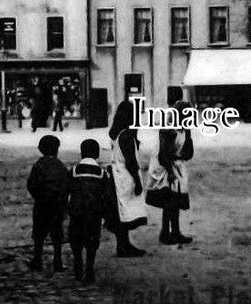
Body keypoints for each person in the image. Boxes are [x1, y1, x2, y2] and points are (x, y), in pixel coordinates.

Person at [68, 138, 114, 282]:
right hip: (94, 212)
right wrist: (107, 214)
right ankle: (89, 268)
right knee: (92, 240)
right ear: (97, 154)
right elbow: (107, 195)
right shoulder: (101, 173)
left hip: (76, 211)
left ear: (81, 153)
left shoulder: (74, 170)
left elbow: (66, 190)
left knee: (76, 238)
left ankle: (77, 263)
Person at [106, 100, 147, 257]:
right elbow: (131, 162)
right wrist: (137, 181)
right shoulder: (127, 137)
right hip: (125, 177)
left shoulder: (119, 134)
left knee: (121, 212)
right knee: (125, 212)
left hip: (118, 174)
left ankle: (123, 244)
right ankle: (124, 246)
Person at [26, 134, 70, 273]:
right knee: (57, 234)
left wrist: (38, 196)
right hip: (57, 205)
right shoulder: (60, 165)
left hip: (42, 205)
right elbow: (66, 185)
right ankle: (58, 261)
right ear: (57, 149)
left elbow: (31, 184)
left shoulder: (39, 165)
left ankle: (37, 260)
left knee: (39, 234)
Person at [145, 123, 194, 245]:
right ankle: (166, 233)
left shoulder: (184, 130)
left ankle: (174, 232)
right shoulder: (168, 130)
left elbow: (188, 153)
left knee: (175, 200)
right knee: (169, 199)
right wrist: (171, 172)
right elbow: (163, 155)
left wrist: (188, 134)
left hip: (175, 165)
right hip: (163, 167)